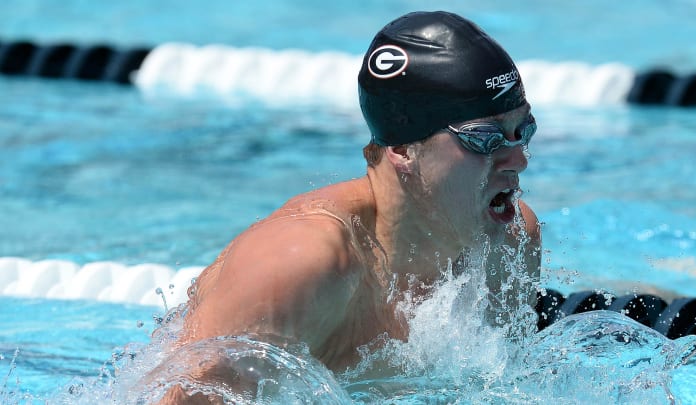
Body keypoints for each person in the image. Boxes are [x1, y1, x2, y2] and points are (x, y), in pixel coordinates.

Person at [157, 10, 541, 402]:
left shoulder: (509, 242)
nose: (519, 159)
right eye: (485, 140)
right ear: (403, 148)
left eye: (522, 130)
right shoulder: (300, 266)